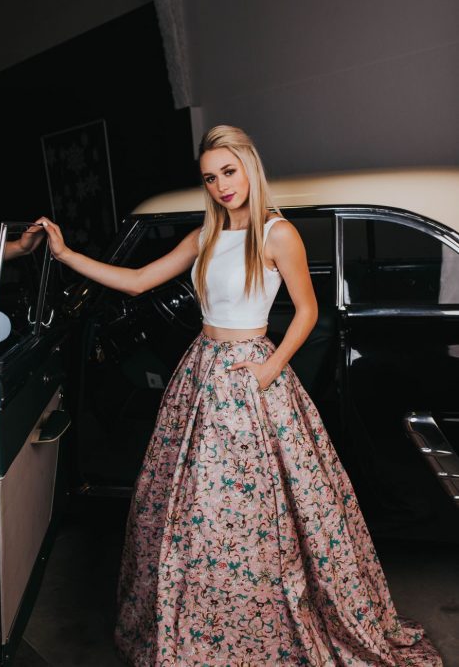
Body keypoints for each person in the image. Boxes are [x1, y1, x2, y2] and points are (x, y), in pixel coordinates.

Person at [41, 125, 442, 666]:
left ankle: (266, 628)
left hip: (253, 375)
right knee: (191, 512)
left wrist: (268, 370)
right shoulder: (205, 236)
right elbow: (137, 281)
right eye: (211, 177)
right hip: (201, 372)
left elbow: (307, 312)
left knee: (260, 513)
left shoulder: (277, 233)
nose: (222, 185)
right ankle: (204, 631)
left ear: (249, 166)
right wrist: (65, 254)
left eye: (229, 171)